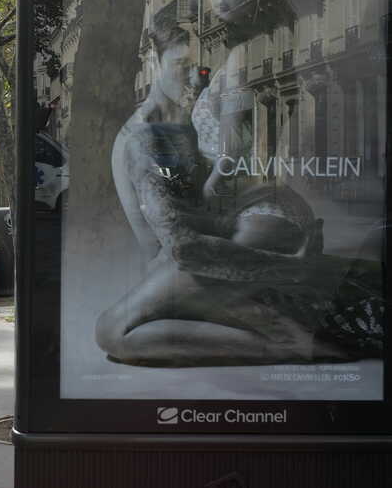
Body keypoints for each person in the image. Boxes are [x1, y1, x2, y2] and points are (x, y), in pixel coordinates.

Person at [98, 20, 382, 367]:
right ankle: (292, 339)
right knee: (112, 331)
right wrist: (292, 267)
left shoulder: (175, 122)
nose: (195, 79)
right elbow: (185, 248)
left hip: (200, 265)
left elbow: (198, 218)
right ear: (153, 64)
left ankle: (292, 339)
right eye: (181, 67)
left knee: (113, 331)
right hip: (190, 268)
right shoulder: (147, 137)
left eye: (200, 68)